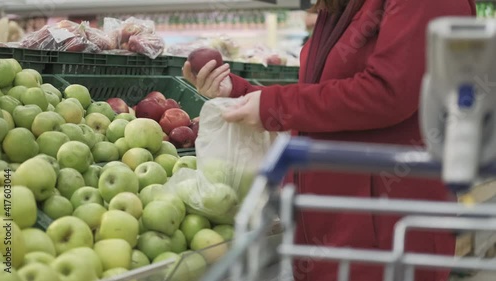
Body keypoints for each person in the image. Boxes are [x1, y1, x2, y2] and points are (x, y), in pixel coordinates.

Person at [182, 0, 476, 280]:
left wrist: (275, 105)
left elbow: (389, 92)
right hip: (334, 226)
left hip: (385, 230)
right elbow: (323, 97)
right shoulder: (342, 7)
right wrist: (239, 94)